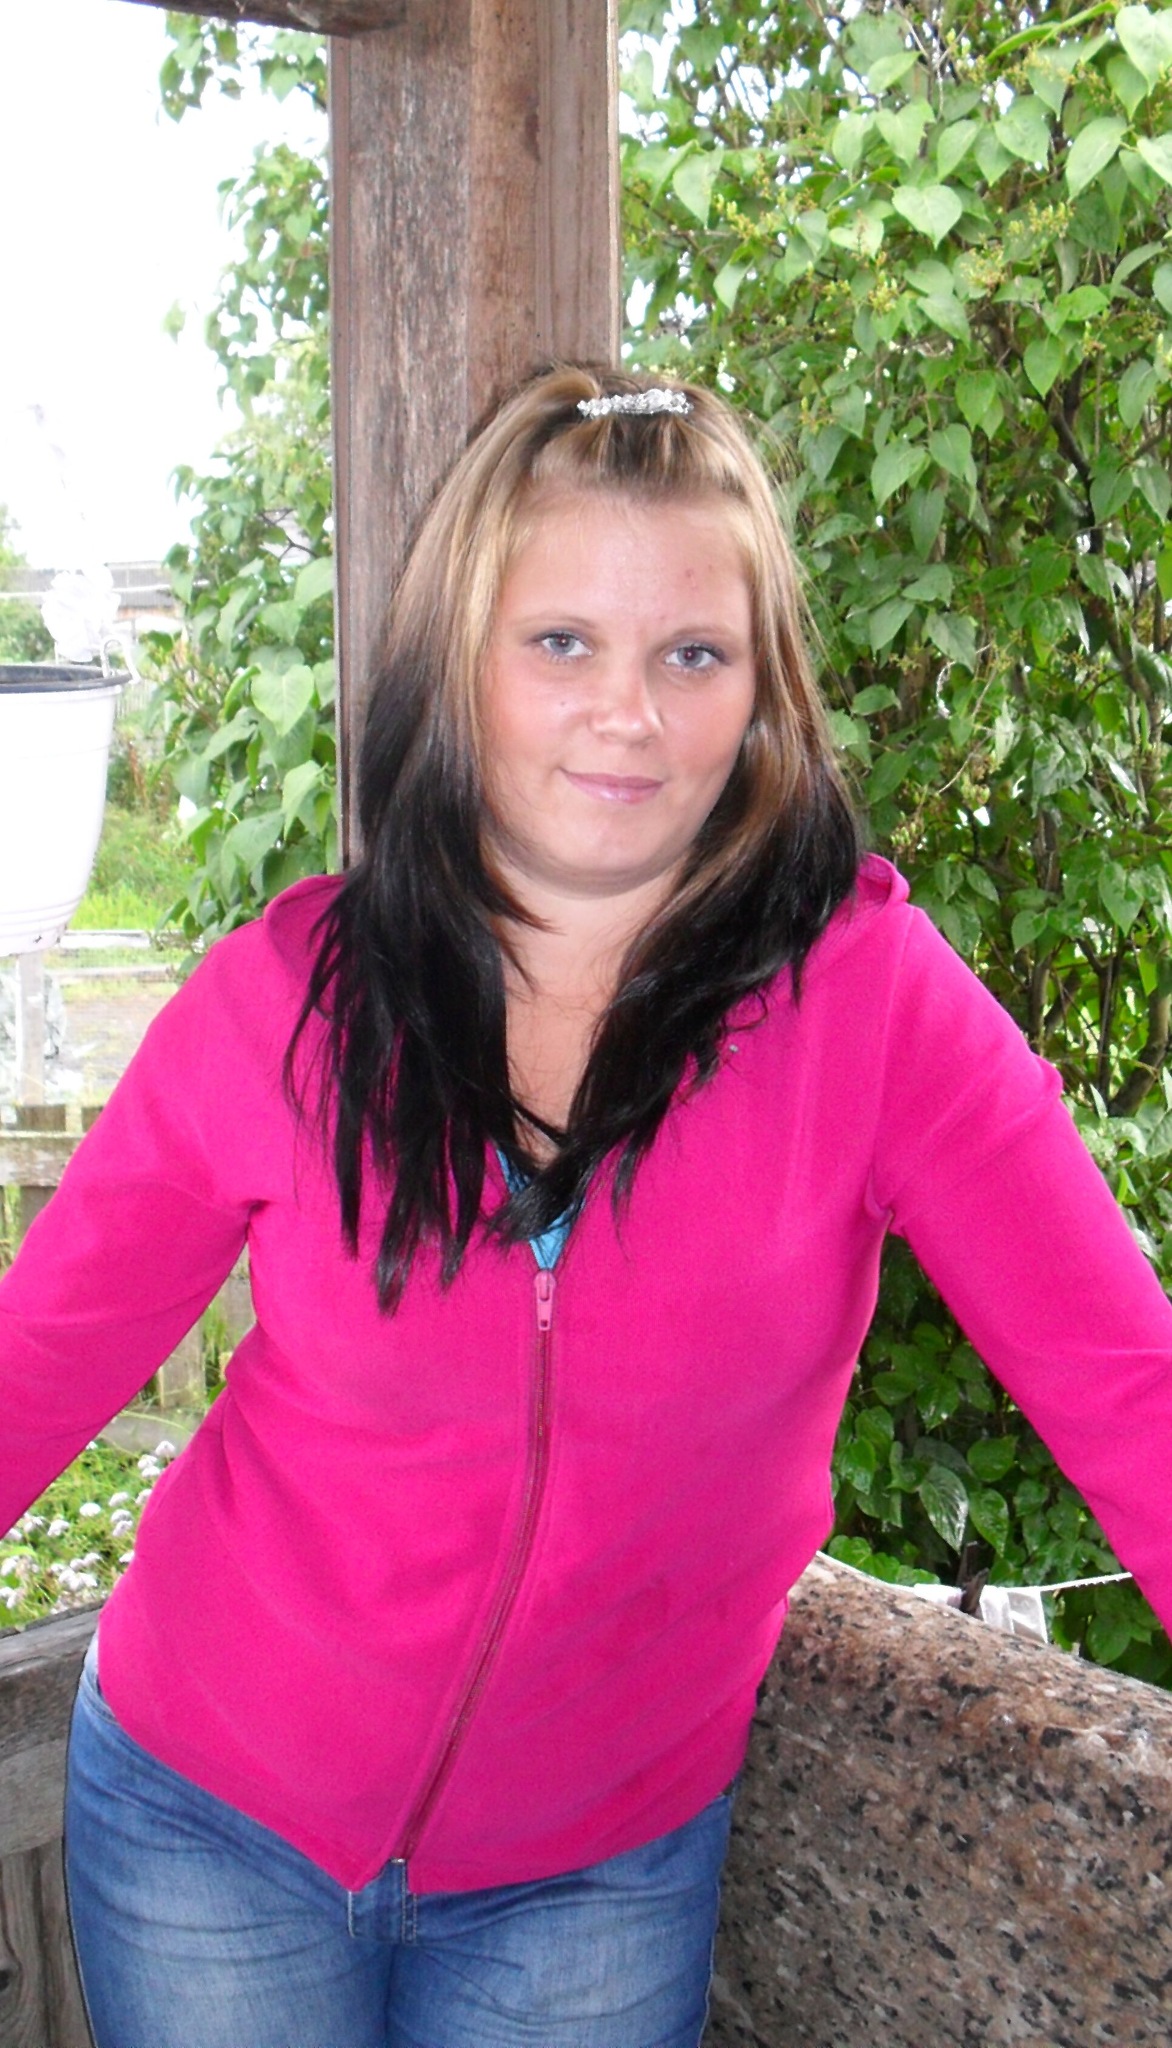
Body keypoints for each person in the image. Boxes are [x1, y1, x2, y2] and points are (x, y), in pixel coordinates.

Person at [2, 364, 1171, 2048]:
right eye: (563, 642)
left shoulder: (880, 1010)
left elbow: (1130, 1388)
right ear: (461, 663)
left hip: (592, 1880)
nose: (629, 713)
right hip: (207, 1823)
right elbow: (37, 1357)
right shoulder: (291, 998)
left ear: (762, 697)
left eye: (692, 655)